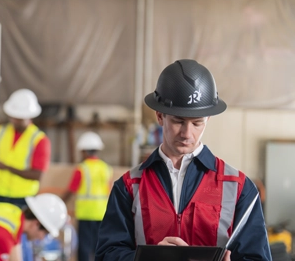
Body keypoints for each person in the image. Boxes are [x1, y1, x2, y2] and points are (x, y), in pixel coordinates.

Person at [95, 59, 272, 261]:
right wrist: (151, 258)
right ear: (160, 116)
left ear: (208, 119)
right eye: (178, 121)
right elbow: (106, 255)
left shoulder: (238, 188)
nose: (187, 133)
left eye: (197, 123)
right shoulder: (129, 186)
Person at [0, 89, 51, 208]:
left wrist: (6, 167)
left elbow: (37, 175)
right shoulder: (1, 131)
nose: (14, 120)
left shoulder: (40, 140)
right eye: (13, 117)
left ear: (29, 117)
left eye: (19, 118)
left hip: (23, 198)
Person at [62, 131, 112, 261]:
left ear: (84, 151)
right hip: (102, 213)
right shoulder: (105, 168)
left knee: (84, 247)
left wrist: (60, 202)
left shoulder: (82, 168)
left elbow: (72, 190)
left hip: (86, 213)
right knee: (99, 247)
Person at [0, 193, 68, 261]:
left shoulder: (15, 217)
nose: (42, 238)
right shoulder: (4, 231)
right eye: (45, 233)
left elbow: (15, 254)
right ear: (36, 224)